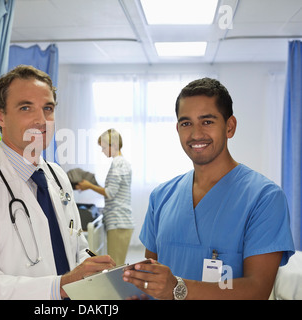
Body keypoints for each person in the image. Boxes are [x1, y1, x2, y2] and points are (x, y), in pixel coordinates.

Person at [0, 65, 115, 300]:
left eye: (48, 108)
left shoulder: (57, 176)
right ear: (0, 116)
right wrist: (60, 286)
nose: (41, 120)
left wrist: (95, 269)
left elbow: (76, 246)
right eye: (26, 108)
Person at [123, 78, 295, 300]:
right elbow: (152, 278)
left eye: (207, 122)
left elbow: (257, 289)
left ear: (230, 127)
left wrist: (177, 288)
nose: (195, 134)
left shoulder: (264, 198)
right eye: (186, 123)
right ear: (177, 129)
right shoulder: (161, 196)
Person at [76, 129, 134, 266]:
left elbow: (110, 192)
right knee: (117, 264)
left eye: (103, 147)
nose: (102, 151)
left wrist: (89, 186)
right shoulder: (122, 163)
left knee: (116, 266)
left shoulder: (118, 164)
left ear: (113, 145)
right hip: (120, 220)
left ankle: (119, 288)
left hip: (118, 221)